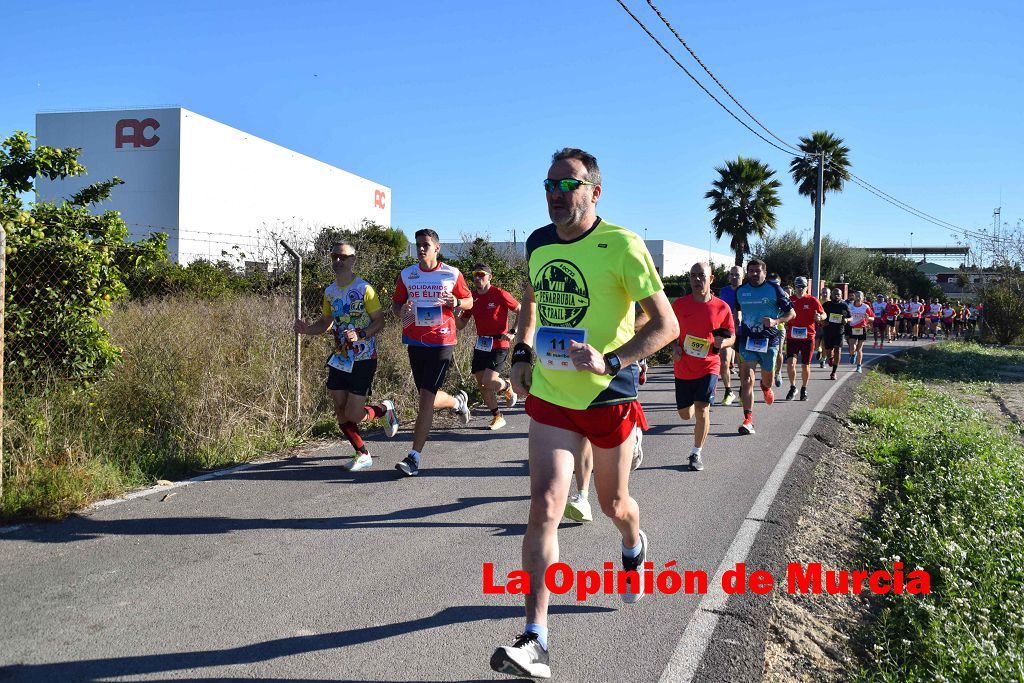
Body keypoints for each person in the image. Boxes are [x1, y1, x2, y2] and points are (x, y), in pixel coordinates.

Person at [490, 148, 678, 680]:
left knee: (615, 504)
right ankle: (535, 639)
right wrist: (522, 353)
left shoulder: (622, 245)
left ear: (594, 192)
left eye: (567, 184)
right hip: (551, 394)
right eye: (548, 183)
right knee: (545, 504)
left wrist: (612, 359)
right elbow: (531, 304)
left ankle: (633, 544)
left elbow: (666, 326)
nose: (555, 192)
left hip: (608, 395)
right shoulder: (538, 243)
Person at [293, 242, 399, 471]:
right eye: (334, 257)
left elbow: (380, 321)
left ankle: (383, 409)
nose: (337, 261)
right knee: (339, 408)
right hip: (340, 358)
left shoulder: (364, 289)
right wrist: (306, 329)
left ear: (353, 260)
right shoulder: (330, 292)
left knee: (353, 413)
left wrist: (360, 333)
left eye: (343, 257)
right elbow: (324, 323)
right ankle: (362, 453)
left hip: (364, 357)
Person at [391, 229, 474, 476]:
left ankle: (414, 456)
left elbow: (469, 301)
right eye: (417, 245)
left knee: (426, 398)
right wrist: (402, 310)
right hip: (415, 341)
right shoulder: (407, 274)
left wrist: (456, 303)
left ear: (437, 248)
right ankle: (458, 402)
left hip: (443, 341)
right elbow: (396, 306)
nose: (421, 249)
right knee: (426, 397)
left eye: (426, 244)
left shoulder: (452, 273)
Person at [671, 262, 734, 470]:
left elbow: (732, 336)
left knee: (702, 409)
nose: (697, 280)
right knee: (684, 414)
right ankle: (691, 416)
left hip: (709, 365)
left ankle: (696, 453)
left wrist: (723, 343)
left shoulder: (722, 307)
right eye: (693, 276)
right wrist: (674, 347)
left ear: (711, 279)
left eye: (701, 276)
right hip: (683, 367)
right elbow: (668, 331)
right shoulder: (679, 305)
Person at [454, 263, 520, 430]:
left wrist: (513, 331)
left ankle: (507, 385)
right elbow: (461, 324)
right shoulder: (472, 297)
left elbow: (521, 309)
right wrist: (453, 314)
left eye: (481, 274)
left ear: (490, 277)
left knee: (489, 380)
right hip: (482, 343)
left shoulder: (499, 293)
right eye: (475, 274)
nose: (477, 278)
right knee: (482, 384)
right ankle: (497, 416)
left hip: (499, 343)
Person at [734, 259, 794, 435]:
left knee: (766, 379)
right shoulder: (741, 291)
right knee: (746, 380)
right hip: (748, 341)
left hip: (770, 342)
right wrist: (737, 319)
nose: (753, 274)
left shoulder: (774, 289)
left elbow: (791, 313)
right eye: (750, 271)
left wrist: (776, 321)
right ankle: (748, 420)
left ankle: (766, 387)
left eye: (757, 271)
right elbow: (737, 310)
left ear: (764, 273)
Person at [784, 276, 825, 401]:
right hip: (792, 337)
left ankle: (804, 388)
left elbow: (823, 314)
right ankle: (792, 387)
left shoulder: (813, 300)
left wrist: (820, 317)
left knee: (805, 366)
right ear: (794, 287)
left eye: (803, 287)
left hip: (808, 338)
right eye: (798, 286)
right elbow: (782, 313)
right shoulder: (790, 300)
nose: (800, 289)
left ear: (807, 287)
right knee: (791, 363)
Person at [716, 265, 743, 405]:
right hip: (726, 330)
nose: (734, 277)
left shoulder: (746, 291)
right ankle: (728, 391)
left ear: (742, 277)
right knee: (725, 362)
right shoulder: (724, 291)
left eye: (737, 275)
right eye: (731, 274)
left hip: (742, 331)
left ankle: (743, 390)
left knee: (742, 364)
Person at [822, 287, 851, 380]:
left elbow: (851, 318)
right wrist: (822, 321)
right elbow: (820, 316)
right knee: (828, 351)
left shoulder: (844, 306)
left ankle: (834, 372)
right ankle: (830, 358)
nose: (836, 296)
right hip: (828, 331)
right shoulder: (826, 305)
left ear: (841, 295)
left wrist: (846, 319)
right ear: (831, 295)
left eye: (838, 294)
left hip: (839, 331)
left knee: (838, 350)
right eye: (835, 294)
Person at [845, 290, 872, 373]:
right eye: (856, 296)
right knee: (852, 347)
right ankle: (853, 354)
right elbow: (846, 315)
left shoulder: (866, 307)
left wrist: (868, 318)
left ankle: (859, 366)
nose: (858, 297)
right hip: (852, 327)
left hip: (862, 328)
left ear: (863, 298)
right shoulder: (850, 306)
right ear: (854, 297)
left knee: (859, 349)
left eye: (860, 296)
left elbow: (873, 318)